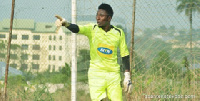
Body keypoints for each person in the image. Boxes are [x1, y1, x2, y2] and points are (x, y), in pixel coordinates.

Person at [55, 3, 132, 101]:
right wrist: (66, 23)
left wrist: (127, 76)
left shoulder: (119, 32)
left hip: (113, 75)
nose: (98, 18)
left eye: (101, 15)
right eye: (97, 15)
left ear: (109, 18)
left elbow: (125, 55)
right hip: (96, 74)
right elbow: (77, 28)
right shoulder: (92, 29)